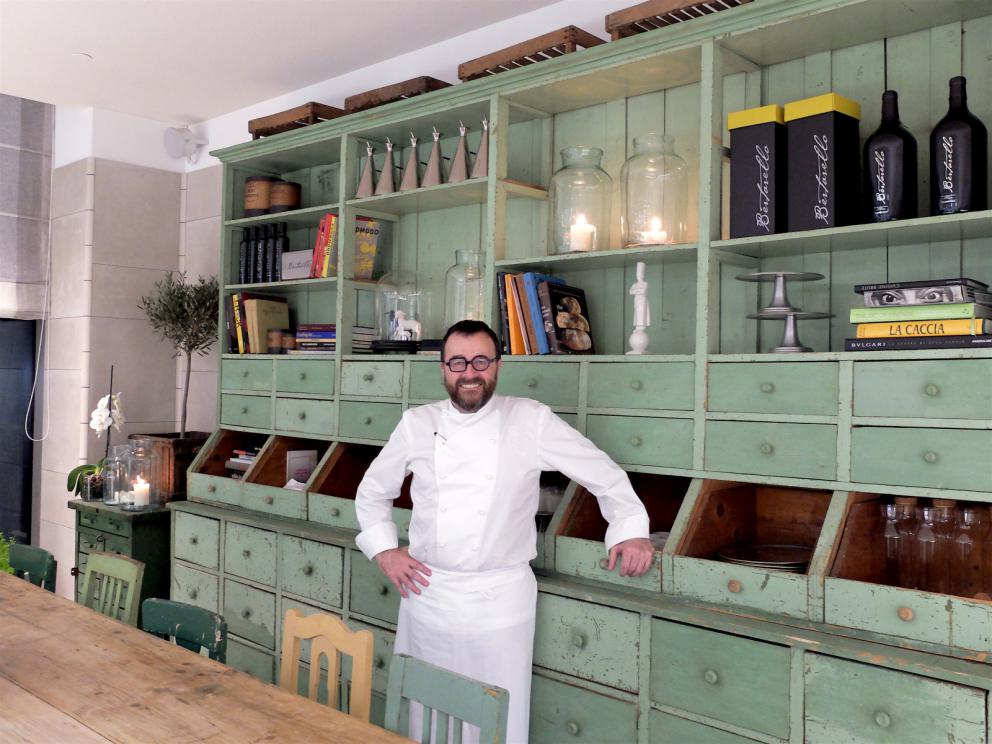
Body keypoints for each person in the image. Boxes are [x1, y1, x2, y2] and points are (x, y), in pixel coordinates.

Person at [355, 320, 654, 744]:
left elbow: (601, 471)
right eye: (458, 362)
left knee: (498, 719)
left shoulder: (530, 419)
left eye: (481, 360)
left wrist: (630, 529)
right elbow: (371, 494)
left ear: (497, 366)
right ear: (443, 368)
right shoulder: (416, 424)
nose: (469, 372)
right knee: (426, 711)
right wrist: (384, 550)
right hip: (429, 595)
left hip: (500, 601)